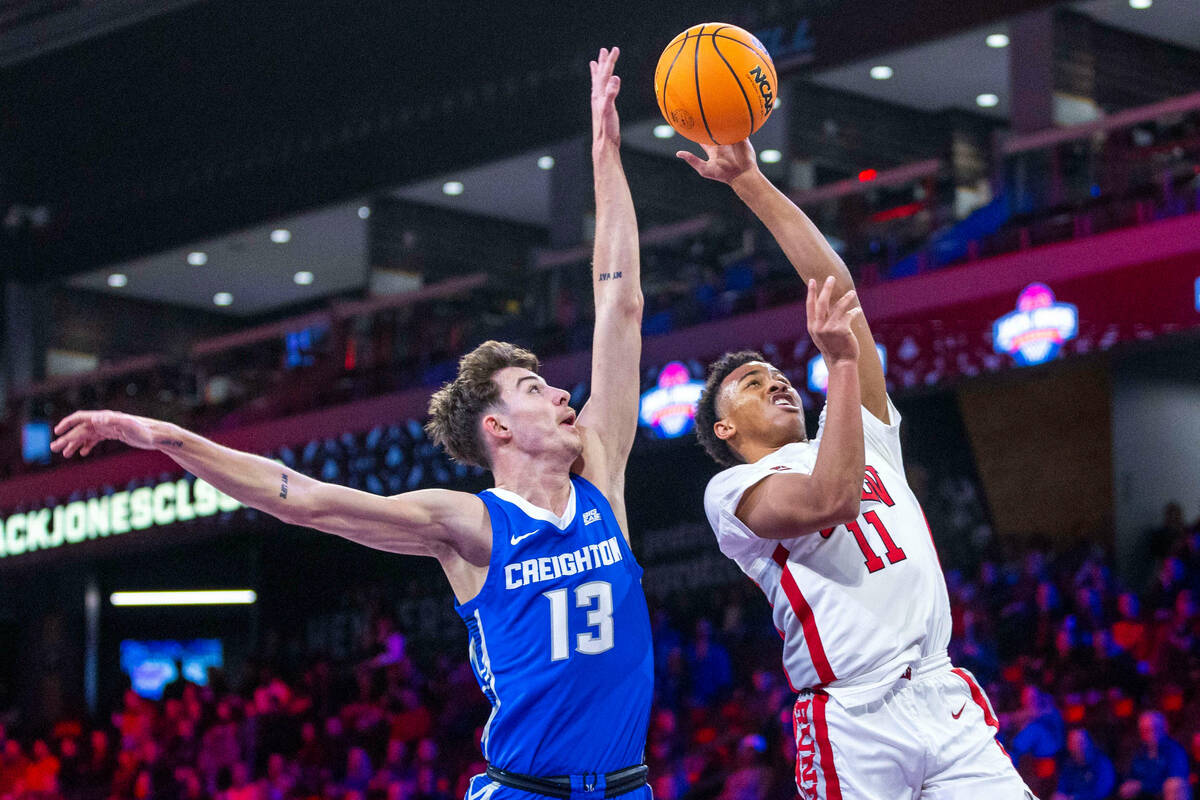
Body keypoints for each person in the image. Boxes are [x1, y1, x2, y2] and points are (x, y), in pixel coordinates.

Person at [51, 47, 652, 800]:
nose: (566, 396)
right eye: (535, 388)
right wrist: (166, 436)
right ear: (497, 428)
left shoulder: (601, 468)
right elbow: (296, 496)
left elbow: (620, 303)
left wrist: (605, 153)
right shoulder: (467, 525)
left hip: (630, 788)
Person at [683, 138, 1034, 799]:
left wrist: (754, 184)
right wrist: (840, 365)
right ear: (725, 431)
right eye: (752, 384)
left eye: (777, 374)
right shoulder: (731, 491)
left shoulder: (857, 436)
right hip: (854, 718)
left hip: (942, 693)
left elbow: (840, 292)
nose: (776, 383)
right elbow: (832, 500)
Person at [1118, 711, 1189, 800]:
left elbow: (1176, 778)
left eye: (1155, 728)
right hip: (1145, 794)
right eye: (1146, 730)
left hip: (1164, 793)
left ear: (1165, 729)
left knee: (1175, 785)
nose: (1151, 734)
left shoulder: (1175, 751)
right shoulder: (1139, 752)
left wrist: (1142, 785)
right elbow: (1132, 776)